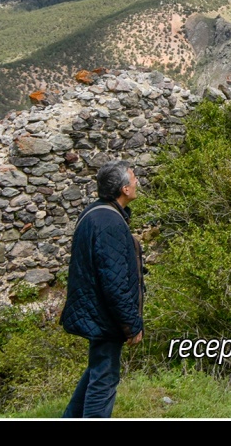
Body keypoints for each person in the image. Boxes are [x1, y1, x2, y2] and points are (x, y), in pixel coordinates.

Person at [59, 161, 145, 418]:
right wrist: (131, 323)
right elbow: (114, 282)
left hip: (95, 310)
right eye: (133, 178)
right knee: (103, 381)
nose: (137, 181)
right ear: (124, 189)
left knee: (98, 371)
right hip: (104, 315)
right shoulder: (110, 222)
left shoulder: (96, 212)